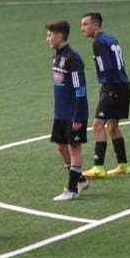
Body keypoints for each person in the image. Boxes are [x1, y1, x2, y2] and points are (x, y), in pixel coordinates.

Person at [77, 12, 130, 179]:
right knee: (112, 126)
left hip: (112, 86)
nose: (82, 28)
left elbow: (106, 67)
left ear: (96, 25)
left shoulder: (98, 42)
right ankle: (123, 164)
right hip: (123, 85)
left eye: (85, 24)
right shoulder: (110, 38)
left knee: (97, 125)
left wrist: (110, 90)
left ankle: (98, 167)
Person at [45, 21, 91, 201]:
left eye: (50, 35)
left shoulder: (72, 59)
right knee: (61, 146)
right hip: (61, 112)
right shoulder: (56, 57)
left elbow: (80, 89)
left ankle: (72, 190)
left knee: (74, 147)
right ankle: (80, 180)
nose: (47, 39)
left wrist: (78, 115)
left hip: (73, 112)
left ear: (59, 36)